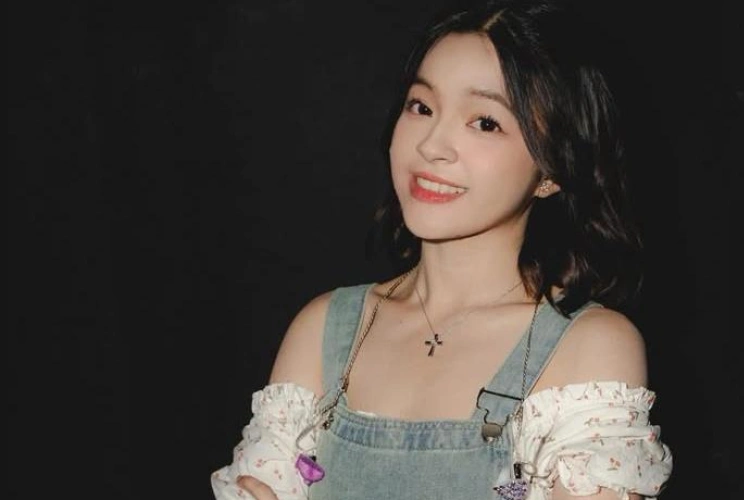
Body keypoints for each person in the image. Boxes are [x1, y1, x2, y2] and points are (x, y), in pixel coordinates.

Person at [211, 0, 673, 498]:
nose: (432, 145)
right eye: (422, 107)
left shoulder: (588, 345)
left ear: (552, 170)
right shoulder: (324, 329)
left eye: (485, 122)